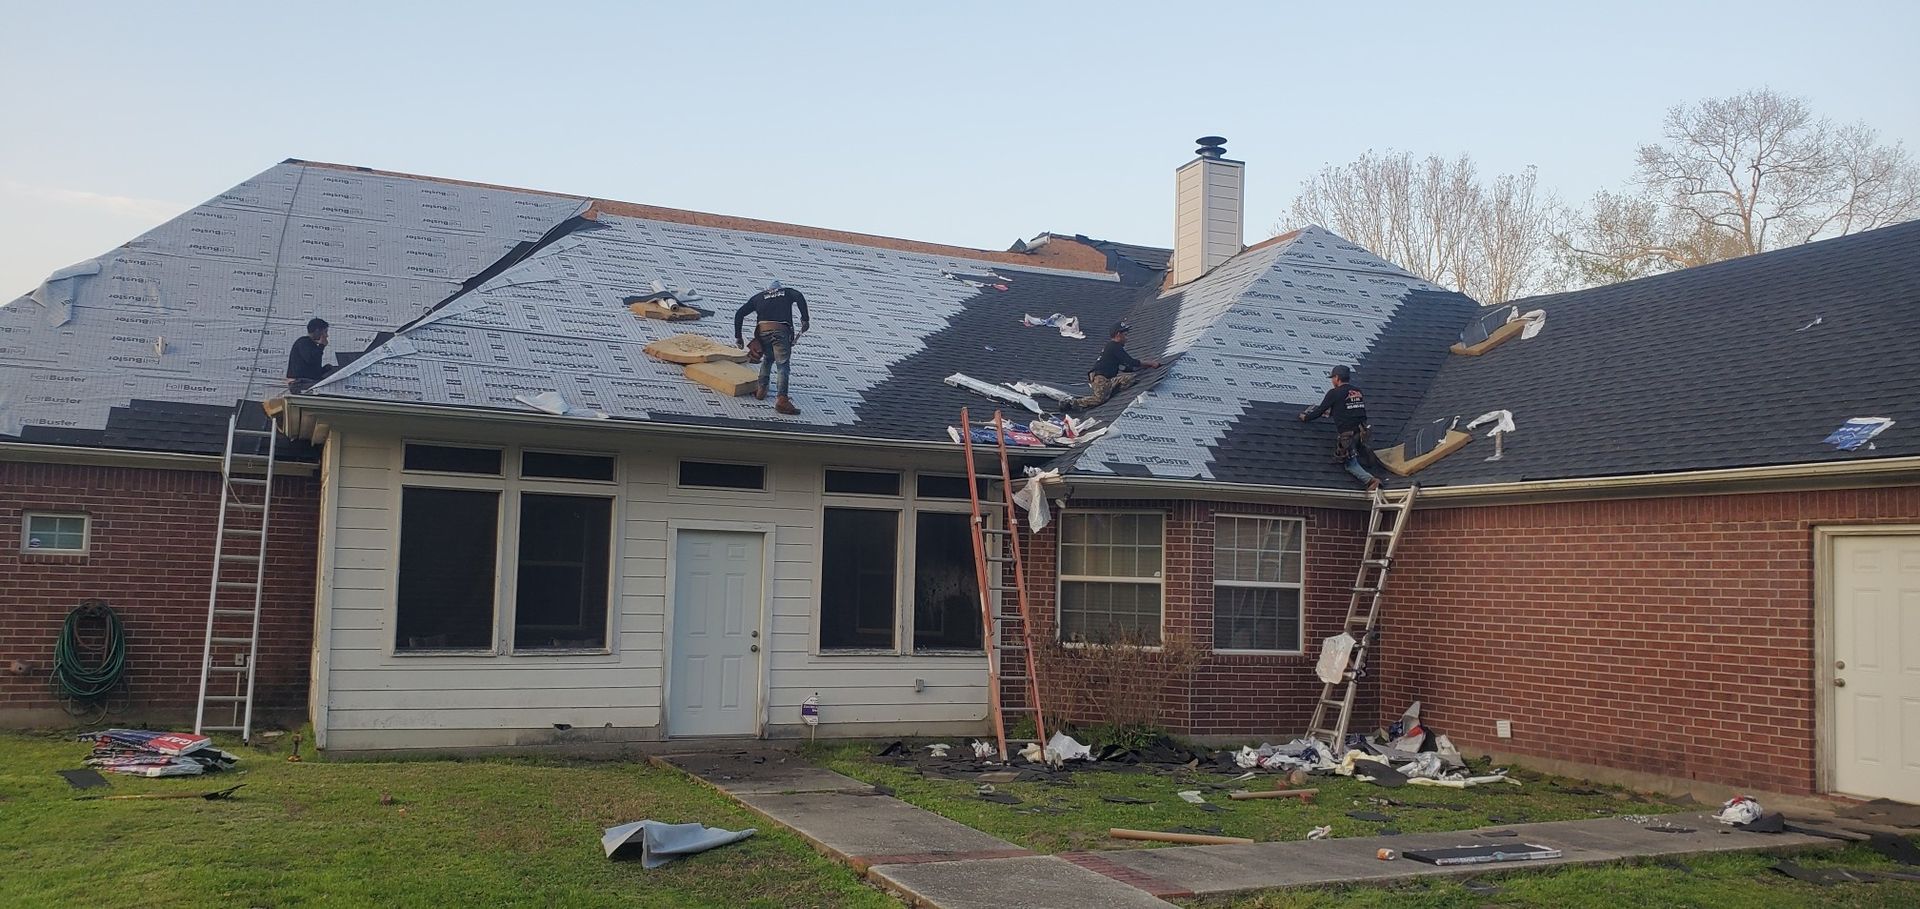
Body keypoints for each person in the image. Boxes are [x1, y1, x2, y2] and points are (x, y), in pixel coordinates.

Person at [1299, 364, 1385, 491]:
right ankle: (1371, 461)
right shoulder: (1357, 391)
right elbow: (1347, 409)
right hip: (1361, 432)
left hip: (1347, 435)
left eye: (1332, 378)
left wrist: (1305, 417)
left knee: (1350, 463)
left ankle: (1371, 480)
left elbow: (1320, 410)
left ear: (1337, 378)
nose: (1332, 381)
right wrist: (1331, 413)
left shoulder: (1334, 393)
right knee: (1360, 452)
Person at [734, 280, 810, 415]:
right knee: (783, 365)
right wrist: (805, 319)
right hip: (780, 331)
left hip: (763, 332)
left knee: (768, 359)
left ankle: (761, 390)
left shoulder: (758, 297)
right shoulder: (786, 292)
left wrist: (738, 337)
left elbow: (739, 314)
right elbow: (799, 296)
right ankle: (782, 400)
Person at [1069, 322, 1160, 409]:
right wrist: (1150, 363)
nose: (1127, 338)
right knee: (1100, 399)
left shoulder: (1113, 348)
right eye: (1125, 335)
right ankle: (1072, 403)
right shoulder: (1114, 346)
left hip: (1107, 379)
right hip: (1100, 378)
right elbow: (1130, 361)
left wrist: (1143, 367)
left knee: (1129, 379)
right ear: (1118, 334)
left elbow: (1125, 367)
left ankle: (1109, 390)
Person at [285, 318, 331, 393]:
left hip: (307, 381)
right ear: (317, 331)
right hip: (300, 383)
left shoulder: (313, 346)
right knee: (326, 389)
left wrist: (325, 370)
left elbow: (311, 370)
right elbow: (310, 359)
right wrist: (321, 346)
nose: (327, 335)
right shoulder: (303, 342)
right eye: (325, 332)